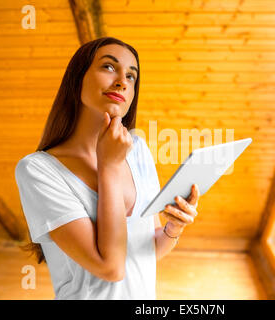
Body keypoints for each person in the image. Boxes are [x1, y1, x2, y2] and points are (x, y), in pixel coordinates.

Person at [14, 37, 200, 299]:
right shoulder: (37, 170)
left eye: (131, 76)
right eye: (109, 67)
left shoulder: (137, 150)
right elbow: (111, 268)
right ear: (77, 79)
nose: (122, 81)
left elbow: (146, 251)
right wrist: (109, 166)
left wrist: (173, 228)